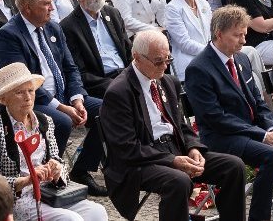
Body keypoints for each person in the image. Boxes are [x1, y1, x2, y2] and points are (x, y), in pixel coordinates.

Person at [182, 4, 273, 221]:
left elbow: (258, 102)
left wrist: (272, 127)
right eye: (237, 35)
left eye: (245, 34)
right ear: (219, 34)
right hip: (224, 137)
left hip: (256, 130)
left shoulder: (241, 58)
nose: (244, 41)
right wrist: (262, 135)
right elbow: (215, 118)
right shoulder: (199, 68)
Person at [98, 29, 247, 221]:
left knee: (233, 166)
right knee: (179, 181)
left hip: (174, 147)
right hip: (140, 159)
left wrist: (193, 148)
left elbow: (181, 126)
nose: (164, 67)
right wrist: (172, 160)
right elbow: (126, 148)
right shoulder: (119, 92)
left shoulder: (168, 82)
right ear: (137, 57)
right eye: (158, 61)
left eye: (168, 60)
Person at [0, 0, 104, 192]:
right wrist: (61, 107)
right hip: (30, 100)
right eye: (46, 4)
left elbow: (70, 67)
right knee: (59, 121)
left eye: (52, 3)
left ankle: (82, 169)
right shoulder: (8, 35)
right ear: (27, 8)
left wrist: (77, 98)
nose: (52, 8)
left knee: (107, 109)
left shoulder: (53, 27)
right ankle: (45, 175)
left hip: (62, 95)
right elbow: (21, 82)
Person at [0, 63, 110, 221]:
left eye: (31, 90)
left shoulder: (44, 121)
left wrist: (56, 171)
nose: (28, 97)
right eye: (19, 92)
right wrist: (27, 180)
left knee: (98, 212)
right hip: (17, 199)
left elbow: (59, 162)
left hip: (49, 194)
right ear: (4, 99)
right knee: (71, 219)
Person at [162, 0, 212, 82]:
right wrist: (213, 52)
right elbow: (184, 43)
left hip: (210, 59)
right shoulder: (172, 8)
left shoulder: (204, 4)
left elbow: (212, 34)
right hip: (188, 64)